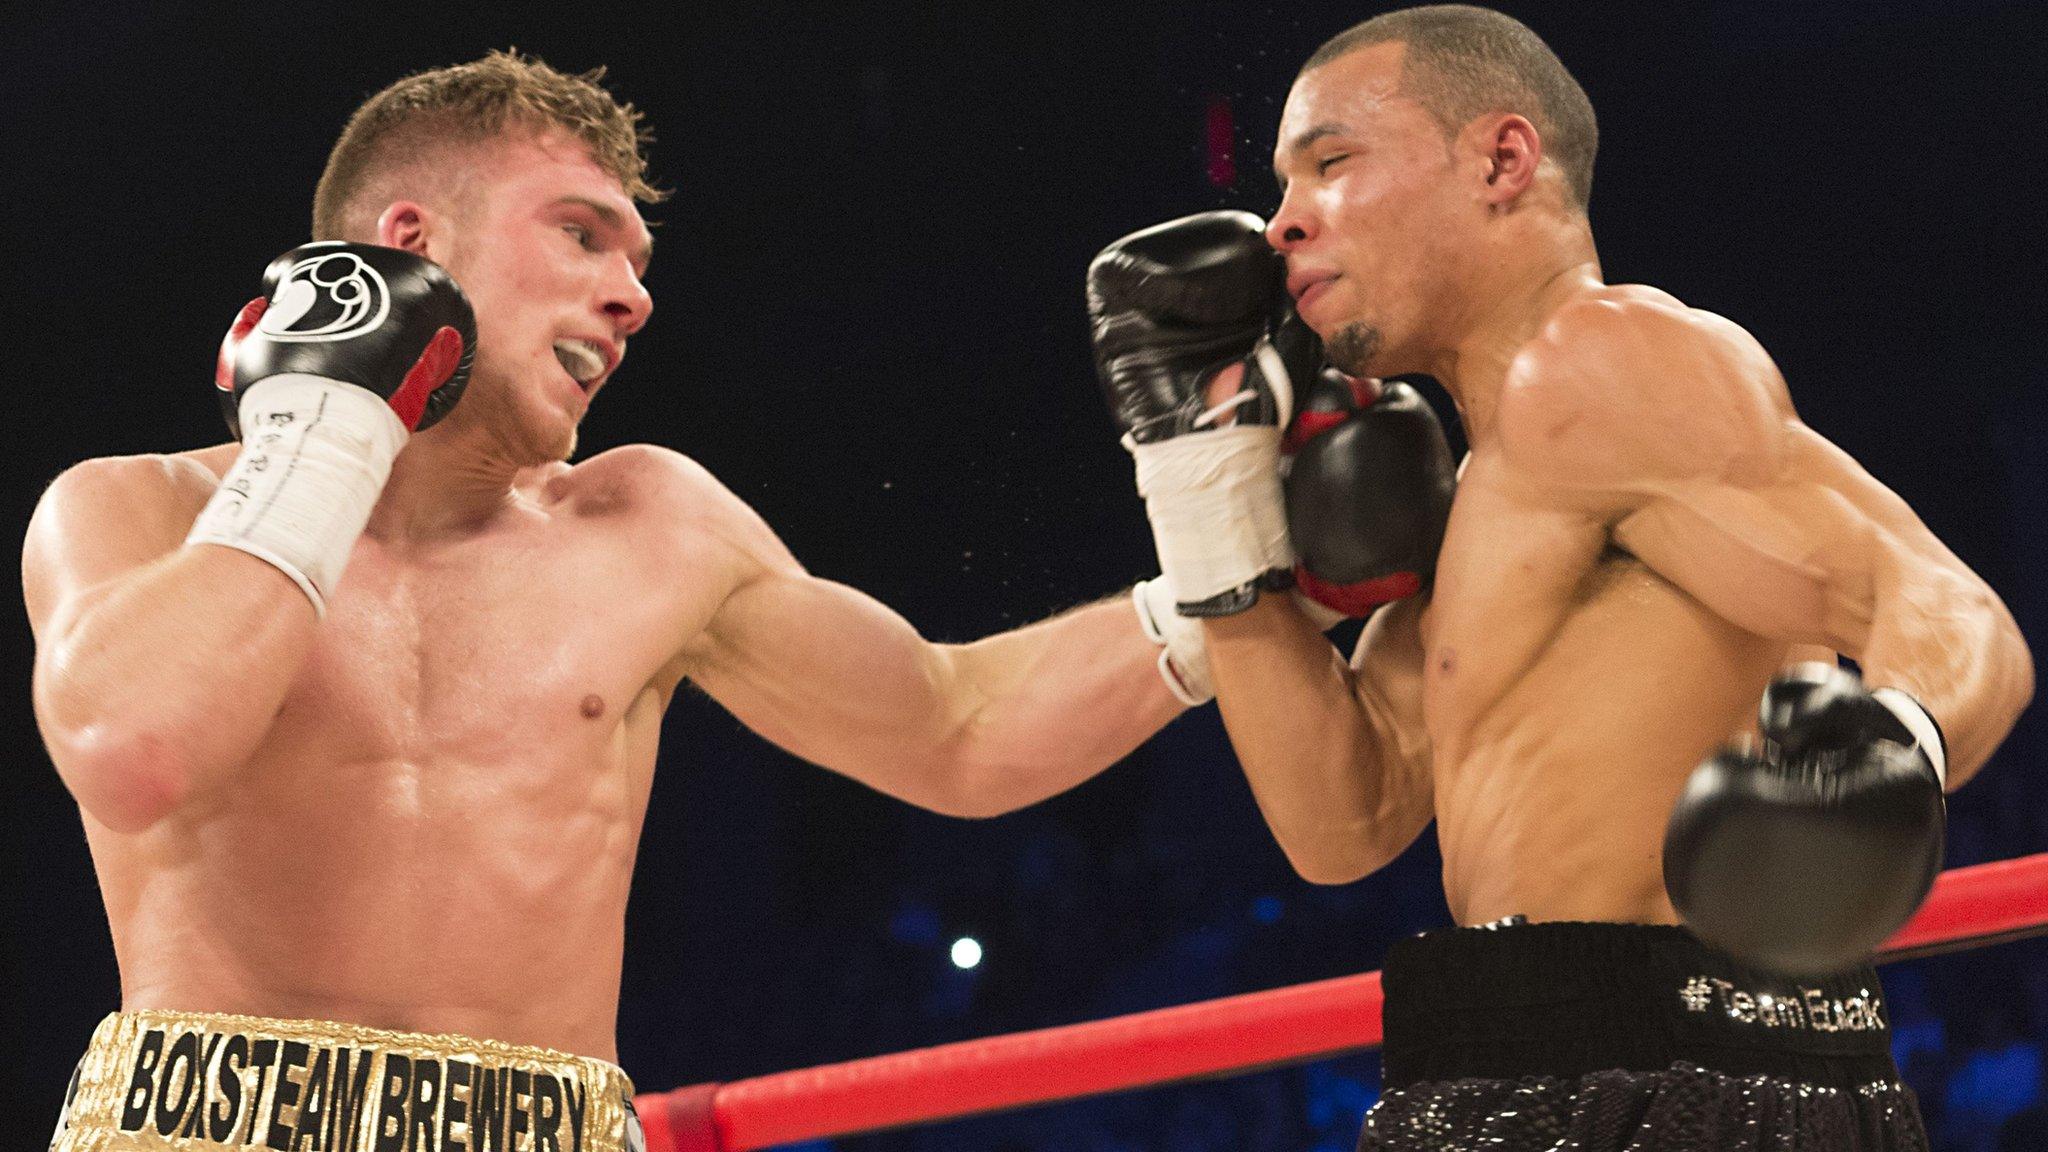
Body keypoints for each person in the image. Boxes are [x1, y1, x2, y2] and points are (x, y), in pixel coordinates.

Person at [23, 52, 1193, 1151]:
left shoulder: (652, 525)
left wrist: (1223, 577)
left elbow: (955, 728)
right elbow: (135, 748)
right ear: (409, 244)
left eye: (635, 263)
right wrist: (325, 438)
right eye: (581, 236)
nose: (628, 297)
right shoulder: (134, 508)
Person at [1091, 6, 2034, 1149]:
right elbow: (1341, 820)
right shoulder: (1476, 490)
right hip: (1501, 1061)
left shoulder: (1602, 361)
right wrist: (1205, 492)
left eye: (1330, 164)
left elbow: (1936, 602)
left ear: (1500, 160)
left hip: (1687, 1068)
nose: (1280, 223)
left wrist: (1889, 754)